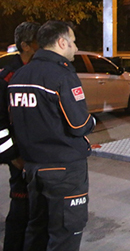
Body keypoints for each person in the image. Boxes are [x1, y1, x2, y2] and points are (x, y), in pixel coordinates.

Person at [8, 21, 96, 251]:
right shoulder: (62, 75)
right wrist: (92, 122)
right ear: (61, 42)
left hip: (33, 169)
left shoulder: (19, 76)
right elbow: (79, 125)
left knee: (37, 230)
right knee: (65, 234)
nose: (76, 47)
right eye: (73, 42)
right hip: (64, 171)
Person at [0, 22, 40, 251]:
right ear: (25, 46)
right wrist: (13, 156)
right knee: (20, 211)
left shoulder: (38, 71)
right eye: (38, 42)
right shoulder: (7, 77)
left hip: (38, 155)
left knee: (37, 214)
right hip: (20, 157)